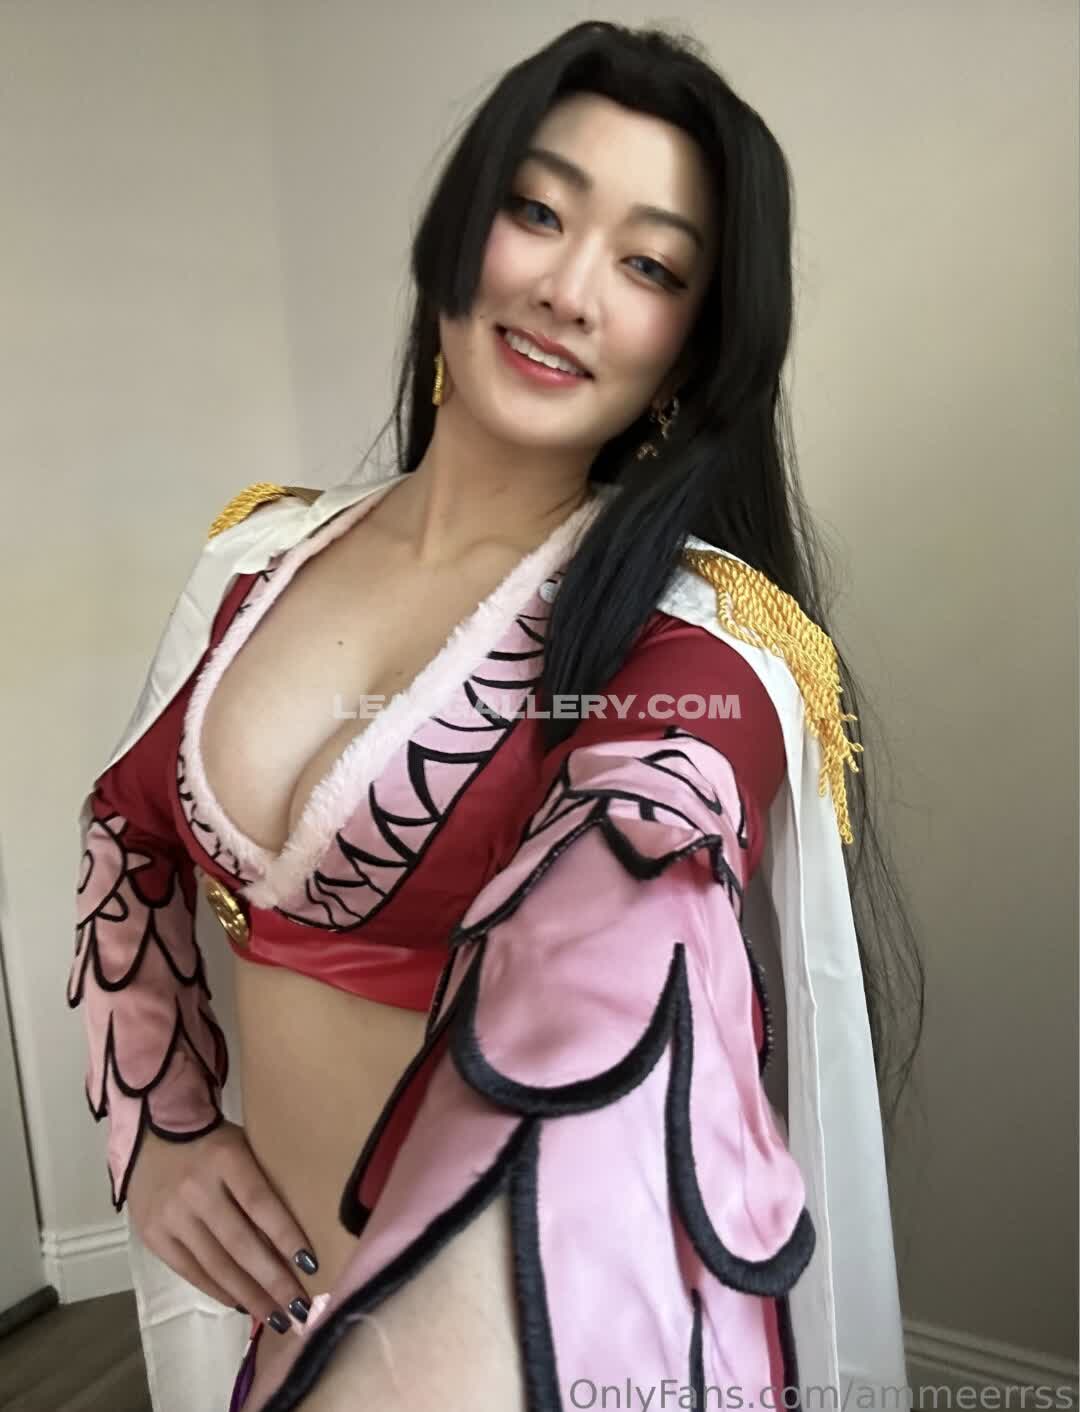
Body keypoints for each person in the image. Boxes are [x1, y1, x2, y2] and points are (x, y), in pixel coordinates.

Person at [68, 20, 923, 1412]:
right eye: (537, 211)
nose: (570, 290)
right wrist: (158, 1130)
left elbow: (621, 953)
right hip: (264, 1330)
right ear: (456, 231)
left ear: (696, 347)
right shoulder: (252, 561)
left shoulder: (700, 652)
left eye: (651, 266)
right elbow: (128, 826)